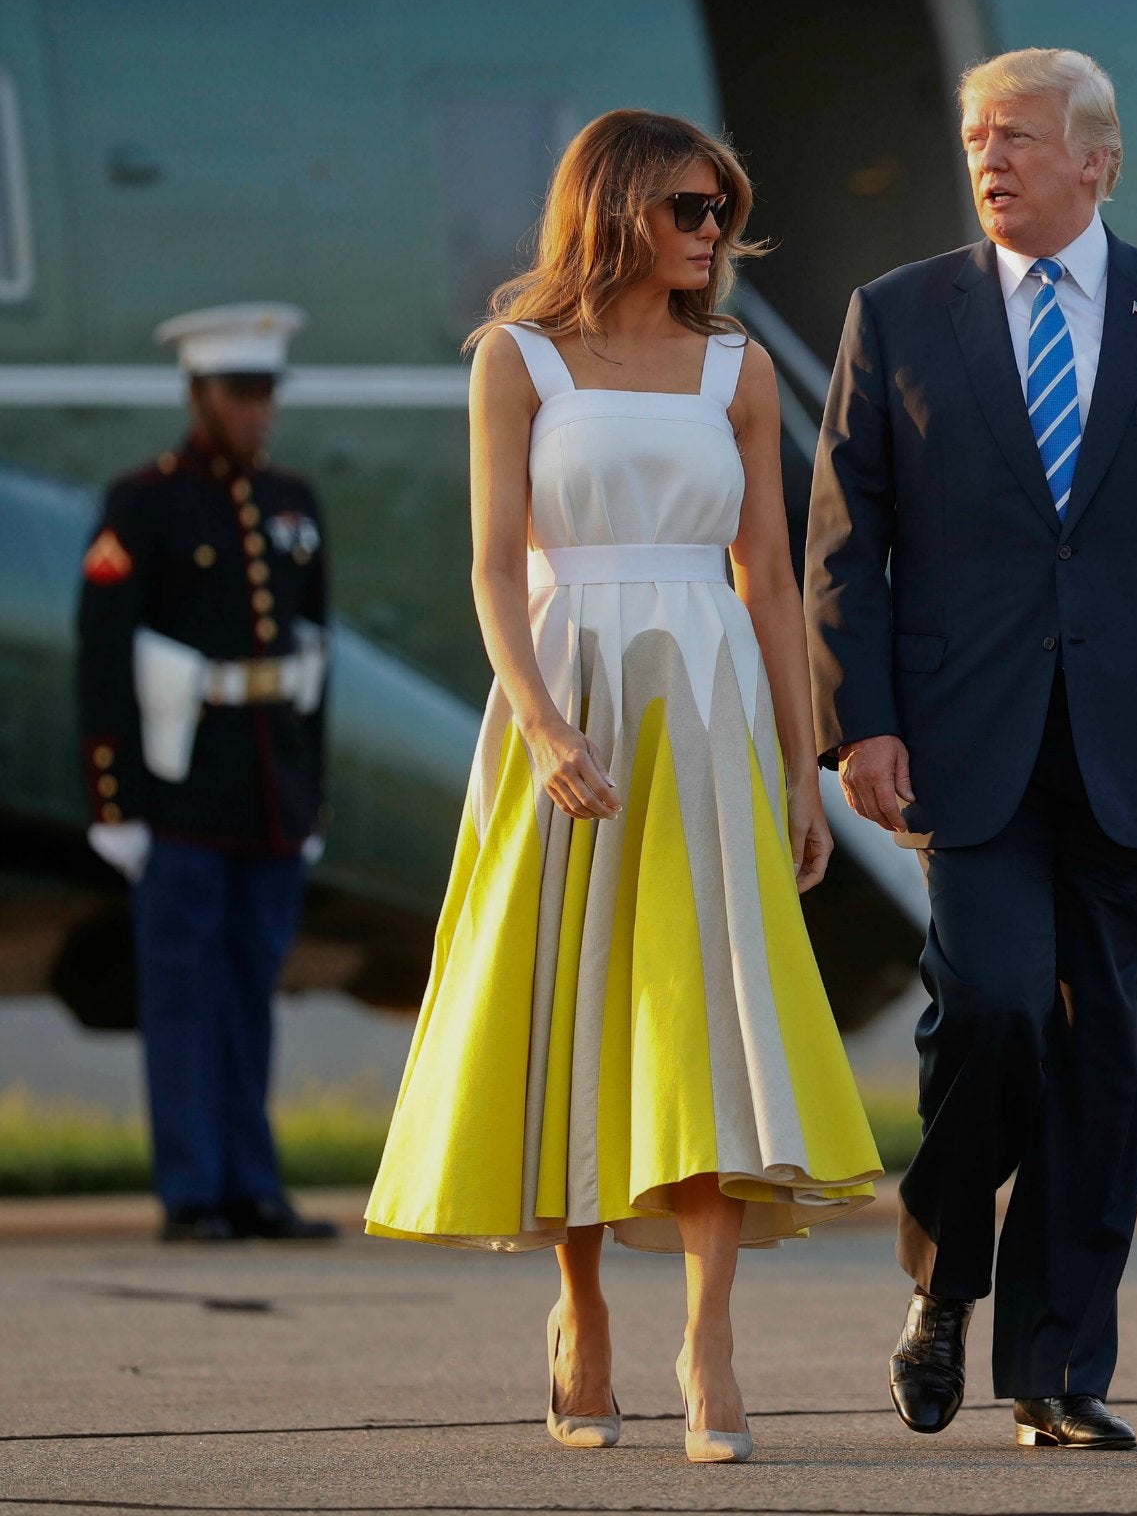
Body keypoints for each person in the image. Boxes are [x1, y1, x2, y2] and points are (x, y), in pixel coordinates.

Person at [806, 48, 1137, 1450]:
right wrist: (864, 718)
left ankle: (1055, 1367)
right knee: (1000, 1010)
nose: (990, 158)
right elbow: (847, 539)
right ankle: (945, 1268)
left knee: (1111, 1056)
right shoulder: (898, 315)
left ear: (1100, 157)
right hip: (964, 739)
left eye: (1019, 136)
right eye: (976, 136)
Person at [364, 109, 880, 1461]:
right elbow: (492, 568)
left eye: (723, 209)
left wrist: (800, 768)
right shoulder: (518, 360)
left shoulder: (739, 373)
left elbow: (767, 580)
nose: (714, 233)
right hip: (567, 699)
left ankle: (710, 1345)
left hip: (708, 706)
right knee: (576, 1008)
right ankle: (579, 1309)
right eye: (690, 210)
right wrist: (537, 724)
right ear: (617, 209)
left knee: (708, 1019)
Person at [75, 303, 338, 1245]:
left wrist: (312, 796)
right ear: (197, 394)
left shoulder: (295, 502)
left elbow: (314, 659)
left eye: (266, 392)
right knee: (184, 997)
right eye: (238, 393)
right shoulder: (143, 503)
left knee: (248, 994)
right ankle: (194, 1191)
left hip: (268, 791)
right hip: (179, 792)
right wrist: (116, 802)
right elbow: (103, 660)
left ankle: (252, 1187)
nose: (255, 411)